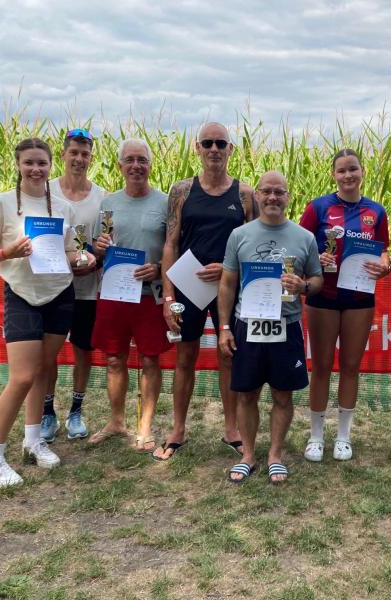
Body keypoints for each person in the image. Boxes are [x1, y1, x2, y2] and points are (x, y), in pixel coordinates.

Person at [0, 137, 94, 488]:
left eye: (41, 163)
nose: (35, 169)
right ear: (18, 164)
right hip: (22, 294)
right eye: (29, 162)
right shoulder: (0, 203)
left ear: (50, 164)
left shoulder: (62, 207)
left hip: (59, 293)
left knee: (43, 369)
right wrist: (8, 252)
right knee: (22, 377)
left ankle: (32, 441)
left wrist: (83, 258)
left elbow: (70, 251)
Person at [155, 122, 255, 461]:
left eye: (220, 143)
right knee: (185, 358)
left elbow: (252, 244)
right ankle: (178, 429)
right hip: (188, 286)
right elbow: (170, 244)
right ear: (197, 148)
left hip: (229, 286)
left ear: (230, 149)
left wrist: (228, 269)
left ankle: (231, 429)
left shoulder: (245, 194)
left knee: (228, 355)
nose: (214, 149)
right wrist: (168, 296)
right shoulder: (182, 191)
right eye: (207, 143)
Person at [217, 171, 323, 483]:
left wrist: (303, 286)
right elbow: (227, 284)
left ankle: (275, 455)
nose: (273, 197)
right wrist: (224, 327)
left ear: (288, 196)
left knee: (283, 395)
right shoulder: (240, 235)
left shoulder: (304, 237)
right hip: (247, 325)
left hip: (286, 326)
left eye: (279, 191)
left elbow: (317, 279)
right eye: (266, 191)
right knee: (246, 394)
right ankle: (248, 455)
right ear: (257, 196)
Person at [298, 149, 391, 461]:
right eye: (342, 170)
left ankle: (343, 436)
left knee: (351, 367)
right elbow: (300, 247)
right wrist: (317, 258)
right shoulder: (318, 207)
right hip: (323, 296)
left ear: (362, 171)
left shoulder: (376, 211)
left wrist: (384, 264)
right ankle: (315, 436)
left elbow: (383, 250)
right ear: (334, 175)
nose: (348, 175)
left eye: (353, 169)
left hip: (359, 297)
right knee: (321, 367)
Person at [87, 139, 172, 453]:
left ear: (150, 165)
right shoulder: (108, 203)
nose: (136, 166)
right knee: (113, 359)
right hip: (114, 293)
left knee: (150, 359)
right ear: (120, 166)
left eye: (142, 160)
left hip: (150, 294)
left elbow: (175, 248)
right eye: (130, 160)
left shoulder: (166, 204)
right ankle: (116, 421)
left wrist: (159, 268)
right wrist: (97, 249)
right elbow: (96, 248)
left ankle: (145, 426)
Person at [42, 128, 106, 442]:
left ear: (91, 158)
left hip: (87, 289)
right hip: (51, 287)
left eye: (85, 154)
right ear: (63, 154)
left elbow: (106, 239)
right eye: (74, 153)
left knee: (83, 349)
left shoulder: (102, 196)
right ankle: (47, 412)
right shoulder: (45, 191)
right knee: (47, 353)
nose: (79, 159)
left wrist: (94, 258)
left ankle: (76, 411)